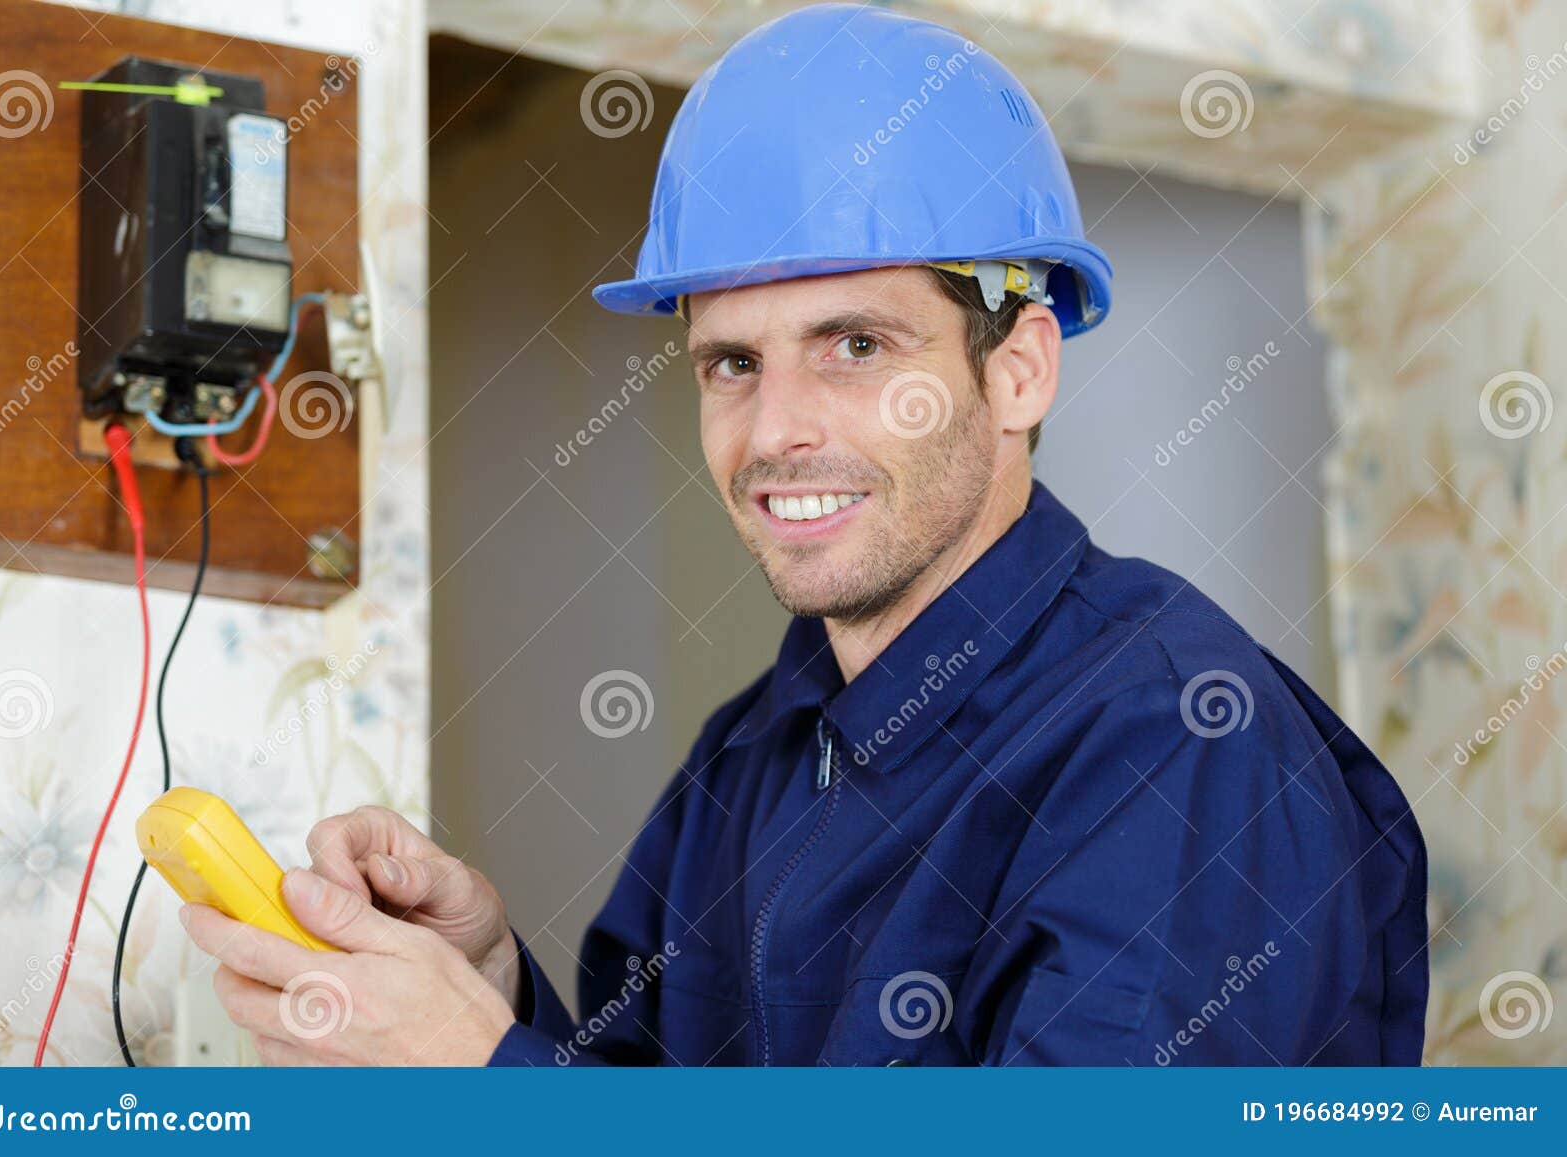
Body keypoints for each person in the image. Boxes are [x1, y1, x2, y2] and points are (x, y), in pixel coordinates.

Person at [184, 2, 1427, 1066]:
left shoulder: (1173, 739)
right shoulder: (756, 754)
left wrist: (482, 1079)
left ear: (1020, 369)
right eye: (731, 361)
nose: (774, 428)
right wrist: (494, 988)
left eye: (855, 346)